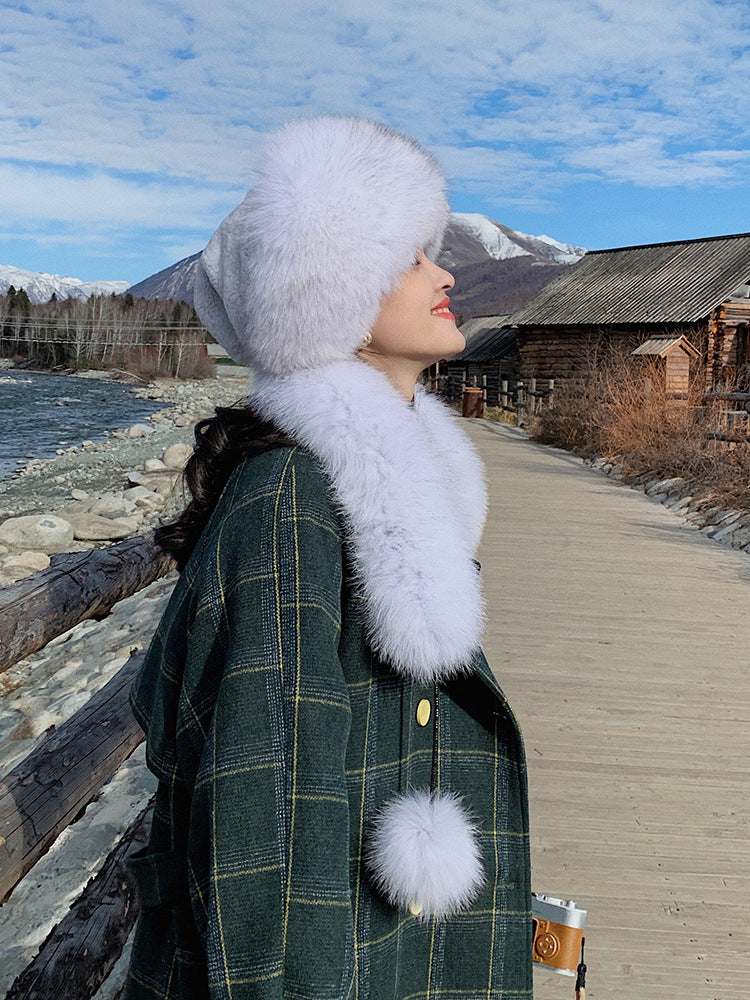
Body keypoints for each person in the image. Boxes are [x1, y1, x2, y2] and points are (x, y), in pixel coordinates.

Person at [124, 116, 532, 1000]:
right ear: (333, 295)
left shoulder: (365, 487)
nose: (445, 274)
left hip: (371, 953)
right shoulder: (291, 504)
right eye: (412, 257)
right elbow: (257, 818)